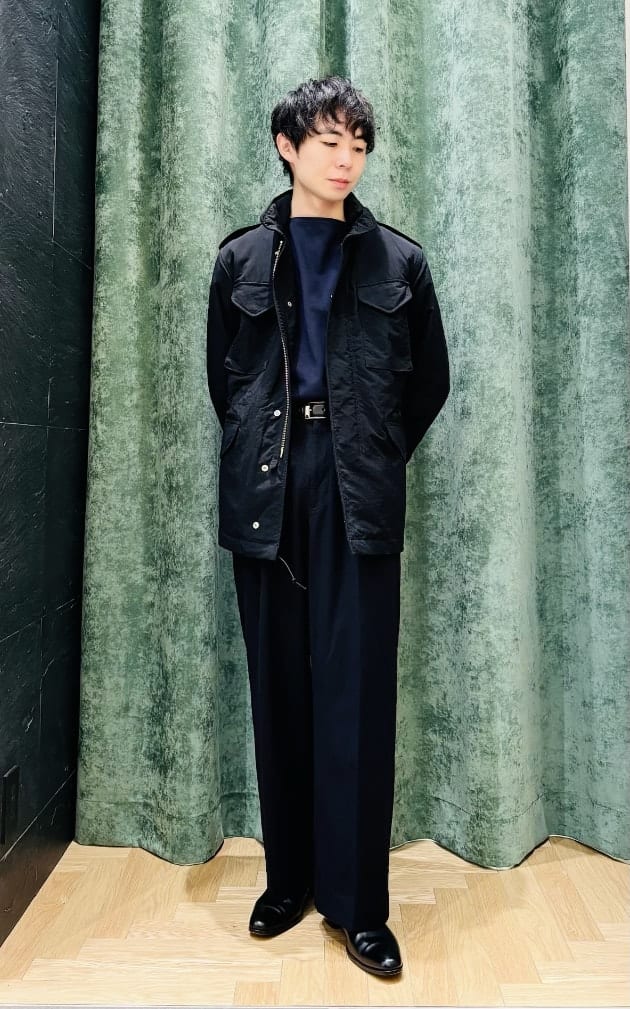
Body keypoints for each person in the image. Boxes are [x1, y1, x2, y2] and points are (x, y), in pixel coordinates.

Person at [206, 75, 450, 978]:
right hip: (268, 487)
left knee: (356, 694)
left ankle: (358, 905)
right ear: (288, 145)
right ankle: (287, 882)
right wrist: (270, 448)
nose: (347, 158)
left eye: (359, 144)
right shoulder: (240, 260)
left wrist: (370, 453)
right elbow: (226, 384)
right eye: (330, 140)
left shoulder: (398, 261)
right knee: (278, 687)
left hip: (358, 491)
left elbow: (428, 383)